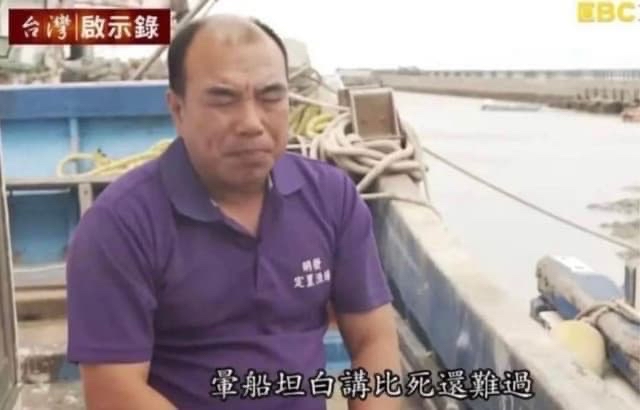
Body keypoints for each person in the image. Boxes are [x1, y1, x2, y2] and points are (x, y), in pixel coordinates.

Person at [65, 13, 401, 410]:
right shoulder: (120, 225)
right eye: (223, 99)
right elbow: (113, 391)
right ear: (178, 109)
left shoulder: (331, 197)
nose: (251, 123)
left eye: (271, 96)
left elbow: (374, 339)